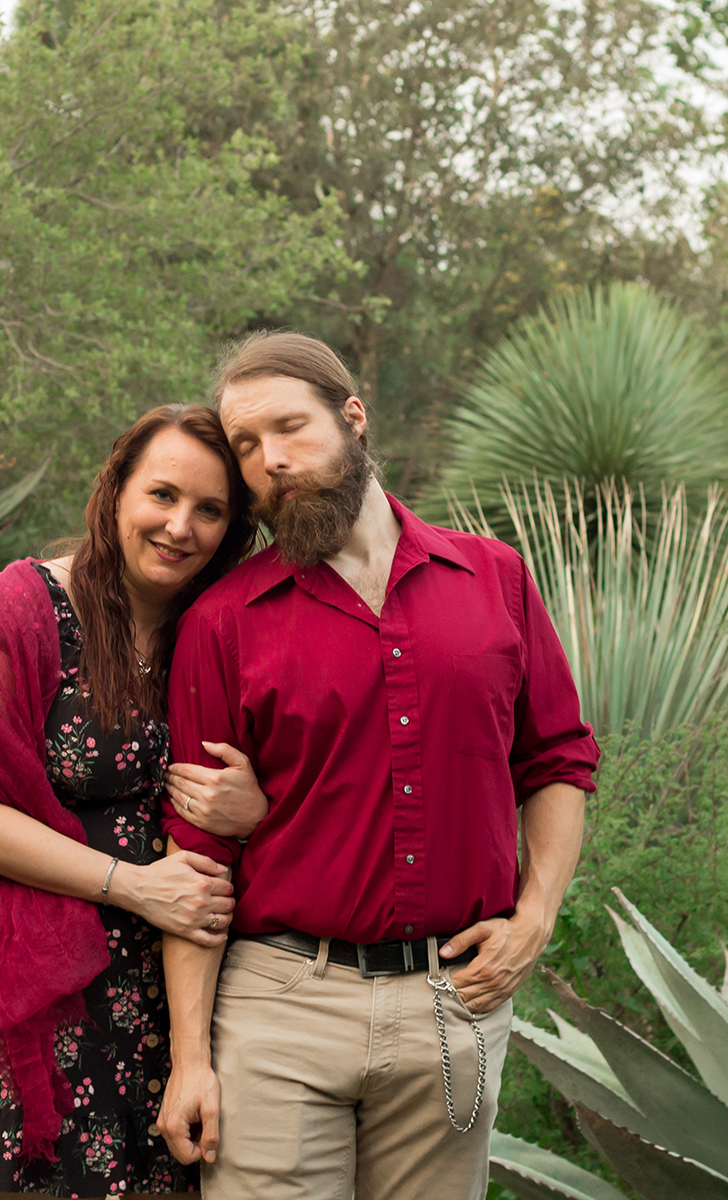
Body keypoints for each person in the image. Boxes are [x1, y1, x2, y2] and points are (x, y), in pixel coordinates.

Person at [155, 332, 599, 1200]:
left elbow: (555, 759)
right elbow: (196, 855)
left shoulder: (494, 578)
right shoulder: (223, 620)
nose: (270, 462)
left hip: (452, 1003)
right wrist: (190, 1061)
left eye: (290, 428)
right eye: (246, 446)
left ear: (354, 419)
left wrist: (535, 917)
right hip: (279, 1006)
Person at [0, 404, 271, 1198]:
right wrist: (136, 886)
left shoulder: (216, 634)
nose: (181, 527)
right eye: (163, 495)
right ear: (116, 493)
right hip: (38, 982)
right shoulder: (29, 606)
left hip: (169, 986)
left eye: (210, 510)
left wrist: (257, 811)